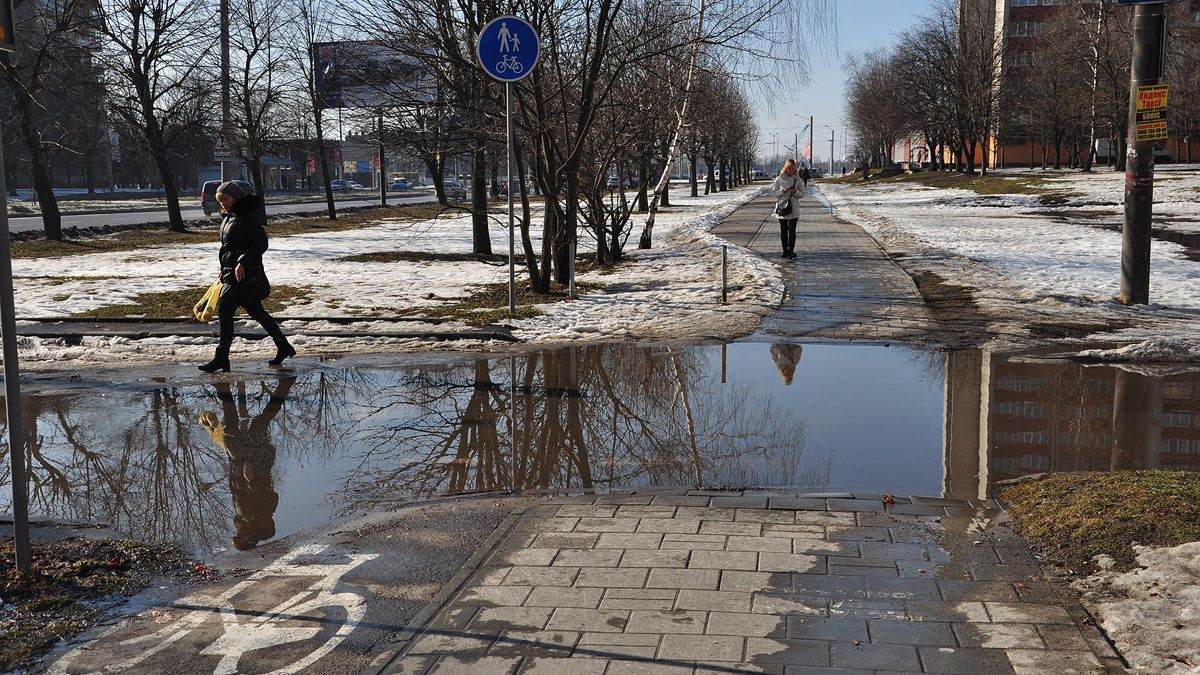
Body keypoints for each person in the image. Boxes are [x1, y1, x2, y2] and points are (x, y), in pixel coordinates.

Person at [198, 181, 295, 373]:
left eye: (226, 199)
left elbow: (260, 243)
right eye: (220, 200)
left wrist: (243, 261)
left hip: (245, 275)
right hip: (231, 273)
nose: (223, 203)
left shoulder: (246, 216)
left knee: (225, 310)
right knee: (256, 311)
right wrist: (224, 269)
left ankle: (221, 358)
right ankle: (283, 346)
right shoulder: (228, 217)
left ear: (236, 198)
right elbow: (228, 248)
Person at [772, 159, 803, 259]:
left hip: (794, 208)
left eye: (792, 169)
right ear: (785, 168)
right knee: (784, 231)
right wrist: (783, 191)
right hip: (782, 207)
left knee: (792, 231)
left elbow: (802, 194)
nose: (790, 171)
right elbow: (773, 193)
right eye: (789, 169)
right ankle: (785, 251)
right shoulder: (779, 179)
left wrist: (795, 191)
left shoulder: (798, 179)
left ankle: (791, 252)